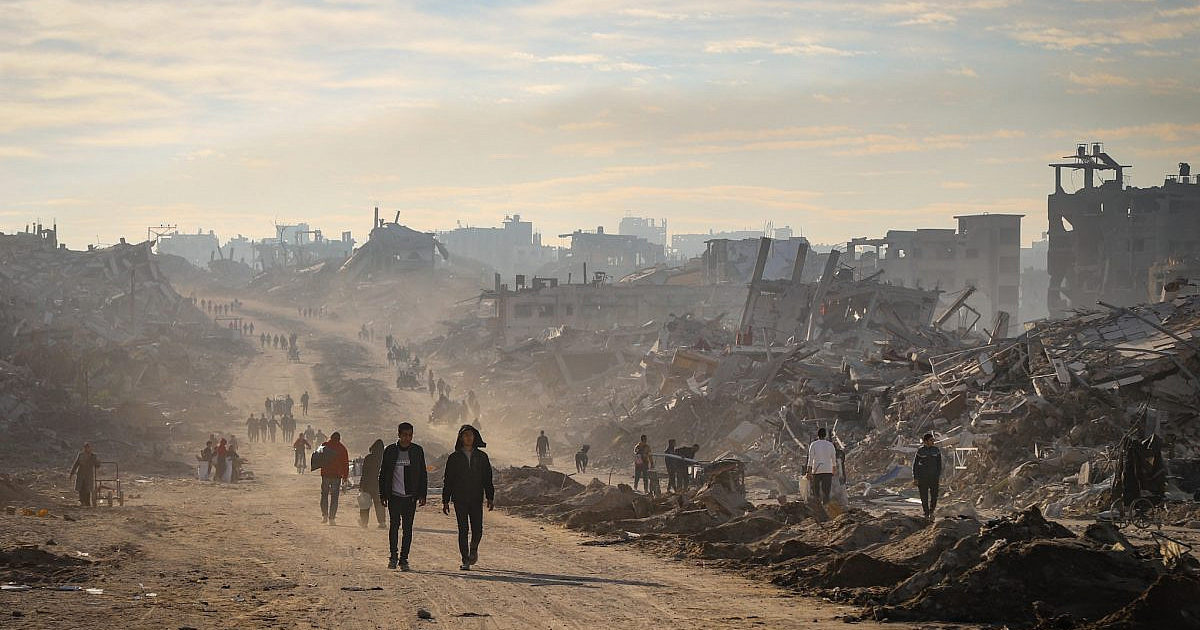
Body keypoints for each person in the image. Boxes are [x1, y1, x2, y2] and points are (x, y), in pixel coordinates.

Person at [442, 425, 494, 571]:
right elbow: (448, 480)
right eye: (465, 435)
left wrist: (490, 497)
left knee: (477, 530)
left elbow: (487, 478)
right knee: (463, 529)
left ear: (475, 437)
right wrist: (445, 500)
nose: (468, 438)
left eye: (470, 435)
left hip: (476, 498)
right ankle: (465, 559)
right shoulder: (454, 457)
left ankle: (473, 548)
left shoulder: (482, 457)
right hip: (460, 499)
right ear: (460, 438)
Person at [379, 423, 429, 571]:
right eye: (405, 435)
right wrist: (383, 494)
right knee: (394, 527)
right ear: (399, 435)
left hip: (410, 498)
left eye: (410, 435)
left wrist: (422, 494)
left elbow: (422, 474)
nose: (407, 438)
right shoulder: (390, 451)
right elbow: (383, 474)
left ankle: (404, 559)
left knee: (408, 529)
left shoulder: (417, 451)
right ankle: (393, 557)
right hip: (394, 496)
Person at [318, 432, 350, 525]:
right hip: (336, 475)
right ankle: (331, 519)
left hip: (326, 474)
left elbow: (317, 457)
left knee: (324, 495)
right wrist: (345, 477)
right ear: (339, 439)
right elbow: (345, 464)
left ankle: (324, 516)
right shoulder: (342, 448)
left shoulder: (324, 445)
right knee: (334, 497)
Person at [912, 433, 943, 519]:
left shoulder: (936, 450)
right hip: (923, 478)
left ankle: (931, 511)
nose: (933, 441)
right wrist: (915, 478)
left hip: (933, 478)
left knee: (934, 496)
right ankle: (926, 513)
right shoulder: (920, 451)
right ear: (926, 441)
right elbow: (915, 465)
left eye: (933, 440)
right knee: (924, 497)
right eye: (931, 440)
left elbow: (939, 464)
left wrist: (938, 475)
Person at [359, 439, 387, 530]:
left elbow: (364, 473)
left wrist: (361, 485)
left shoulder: (368, 458)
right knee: (379, 504)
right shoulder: (384, 458)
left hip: (367, 484)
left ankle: (364, 522)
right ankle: (382, 522)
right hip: (380, 485)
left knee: (365, 504)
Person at [806, 428, 837, 505]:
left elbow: (810, 459)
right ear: (825, 435)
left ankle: (818, 507)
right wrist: (834, 469)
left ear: (818, 435)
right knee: (826, 491)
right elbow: (833, 458)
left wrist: (808, 472)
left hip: (816, 470)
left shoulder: (813, 444)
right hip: (828, 470)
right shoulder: (830, 445)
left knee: (816, 491)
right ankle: (826, 506)